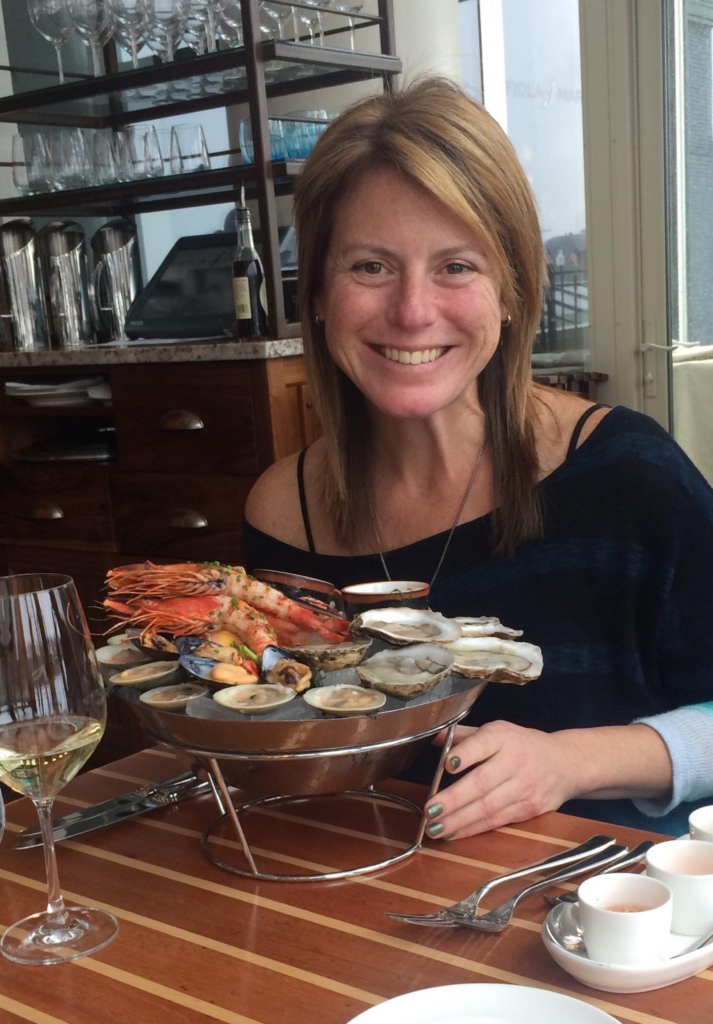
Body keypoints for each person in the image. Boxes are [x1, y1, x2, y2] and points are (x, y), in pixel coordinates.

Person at [243, 76, 713, 839]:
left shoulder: (630, 478)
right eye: (370, 266)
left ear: (510, 291)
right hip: (359, 904)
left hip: (600, 918)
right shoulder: (281, 509)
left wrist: (567, 763)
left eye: (455, 266)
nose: (412, 311)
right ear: (319, 294)